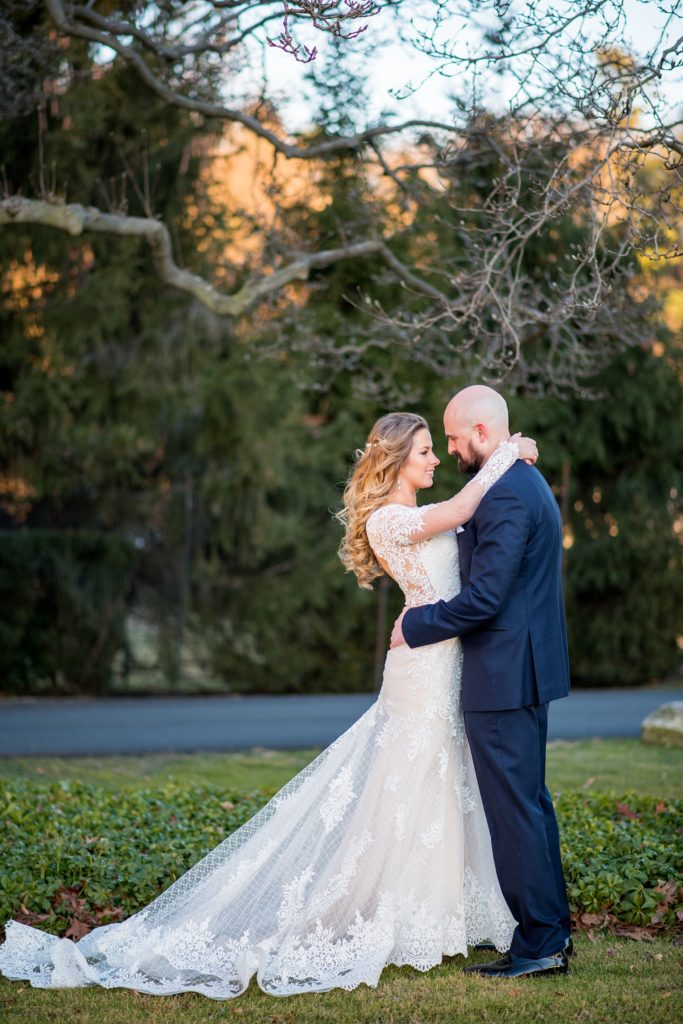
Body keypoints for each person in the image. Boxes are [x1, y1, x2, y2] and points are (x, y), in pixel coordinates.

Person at [0, 411, 538, 1000]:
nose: (436, 459)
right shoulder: (388, 519)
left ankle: (444, 916)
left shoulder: (422, 513)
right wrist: (508, 452)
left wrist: (504, 460)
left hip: (445, 659)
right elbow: (462, 510)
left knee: (444, 781)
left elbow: (467, 529)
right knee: (402, 789)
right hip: (420, 668)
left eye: (438, 450)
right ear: (394, 461)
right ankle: (365, 915)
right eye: (425, 452)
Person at [391, 386, 572, 979]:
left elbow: (486, 600)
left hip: (502, 674)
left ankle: (540, 945)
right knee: (531, 805)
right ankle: (549, 934)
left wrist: (416, 625)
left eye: (453, 438)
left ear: (483, 434)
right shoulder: (517, 480)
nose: (448, 450)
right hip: (523, 669)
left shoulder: (508, 496)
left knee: (515, 811)